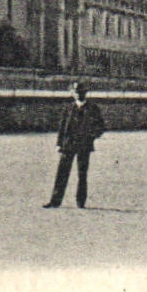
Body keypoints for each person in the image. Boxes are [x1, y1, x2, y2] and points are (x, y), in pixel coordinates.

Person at [45, 80, 106, 209]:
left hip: (84, 145)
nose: (78, 94)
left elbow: (100, 127)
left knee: (82, 174)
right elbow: (62, 127)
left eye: (80, 92)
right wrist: (59, 143)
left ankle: (80, 201)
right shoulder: (68, 108)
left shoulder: (93, 109)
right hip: (68, 145)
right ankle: (55, 201)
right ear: (72, 93)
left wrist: (91, 137)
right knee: (62, 173)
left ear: (86, 93)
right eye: (75, 92)